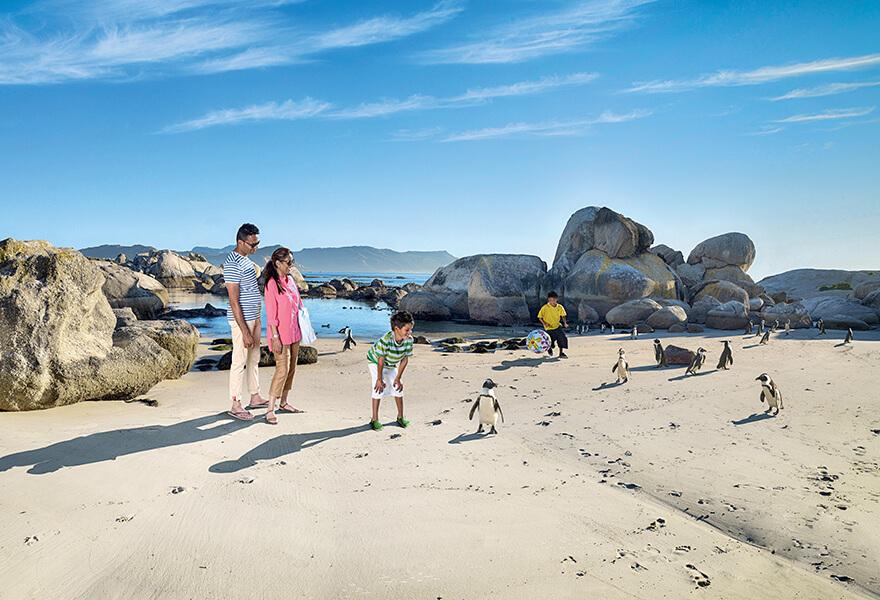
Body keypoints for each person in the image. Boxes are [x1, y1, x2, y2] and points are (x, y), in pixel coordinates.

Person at [223, 223, 265, 421]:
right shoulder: (232, 263)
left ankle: (255, 396)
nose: (255, 248)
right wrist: (245, 331)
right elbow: (233, 301)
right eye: (252, 244)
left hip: (254, 317)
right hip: (242, 321)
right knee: (239, 360)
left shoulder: (246, 260)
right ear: (240, 242)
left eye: (257, 243)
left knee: (254, 357)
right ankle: (235, 403)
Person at [263, 247, 305, 425]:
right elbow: (271, 315)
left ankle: (284, 402)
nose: (291, 265)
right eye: (288, 262)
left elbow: (299, 304)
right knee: (281, 370)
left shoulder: (291, 280)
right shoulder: (272, 284)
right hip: (279, 334)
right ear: (278, 263)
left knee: (292, 369)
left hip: (295, 331)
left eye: (292, 262)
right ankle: (270, 409)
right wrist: (274, 337)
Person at [366, 311, 415, 431]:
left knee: (398, 388)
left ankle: (400, 417)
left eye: (410, 329)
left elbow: (404, 360)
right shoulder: (386, 340)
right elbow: (380, 360)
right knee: (378, 388)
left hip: (391, 363)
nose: (410, 333)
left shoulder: (409, 340)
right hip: (375, 361)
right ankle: (374, 419)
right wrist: (379, 379)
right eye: (407, 330)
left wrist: (398, 378)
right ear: (397, 329)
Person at [538, 291, 569, 359]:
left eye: (554, 300)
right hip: (548, 328)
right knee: (549, 341)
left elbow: (563, 315)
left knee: (562, 338)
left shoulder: (559, 307)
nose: (552, 301)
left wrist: (565, 323)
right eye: (551, 300)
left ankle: (561, 353)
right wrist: (544, 323)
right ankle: (549, 349)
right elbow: (540, 317)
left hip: (557, 326)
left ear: (556, 299)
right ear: (548, 300)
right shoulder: (545, 307)